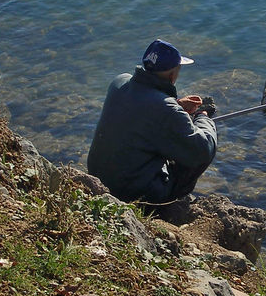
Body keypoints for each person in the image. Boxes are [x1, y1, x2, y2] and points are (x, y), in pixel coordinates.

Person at [87, 39, 217, 207]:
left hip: (98, 180)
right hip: (132, 194)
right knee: (197, 150)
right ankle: (166, 205)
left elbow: (140, 109)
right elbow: (203, 150)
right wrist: (203, 117)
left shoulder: (119, 82)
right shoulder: (165, 109)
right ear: (172, 75)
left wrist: (176, 103)